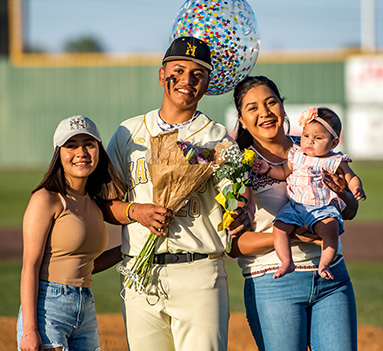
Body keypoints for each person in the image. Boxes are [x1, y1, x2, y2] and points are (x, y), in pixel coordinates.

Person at [103, 36, 254, 351]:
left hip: (199, 275)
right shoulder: (129, 132)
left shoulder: (217, 139)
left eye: (198, 74)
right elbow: (105, 203)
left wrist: (238, 208)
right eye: (179, 70)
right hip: (139, 275)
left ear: (207, 83)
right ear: (161, 75)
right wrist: (135, 211)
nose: (187, 80)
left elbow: (234, 198)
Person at [229, 76, 359, 351]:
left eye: (270, 102)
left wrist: (344, 193)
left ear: (283, 107)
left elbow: (351, 211)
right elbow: (234, 245)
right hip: (274, 282)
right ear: (241, 119)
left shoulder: (313, 145)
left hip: (333, 278)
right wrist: (293, 236)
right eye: (252, 108)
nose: (264, 112)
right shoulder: (239, 164)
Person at [17, 115, 126, 351]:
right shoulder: (46, 199)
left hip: (85, 307)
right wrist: (29, 331)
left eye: (89, 144)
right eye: (71, 145)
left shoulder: (95, 204)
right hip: (48, 309)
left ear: (99, 149)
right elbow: (30, 266)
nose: (81, 152)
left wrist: (128, 250)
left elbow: (87, 265)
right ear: (59, 153)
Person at [253, 106, 366, 279]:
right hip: (295, 206)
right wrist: (268, 169)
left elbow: (351, 177)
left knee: (331, 229)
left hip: (322, 208)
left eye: (318, 138)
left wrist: (356, 188)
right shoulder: (296, 155)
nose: (309, 141)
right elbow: (283, 172)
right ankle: (286, 262)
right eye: (306, 136)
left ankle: (324, 265)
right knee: (279, 227)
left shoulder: (334, 160)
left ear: (334, 143)